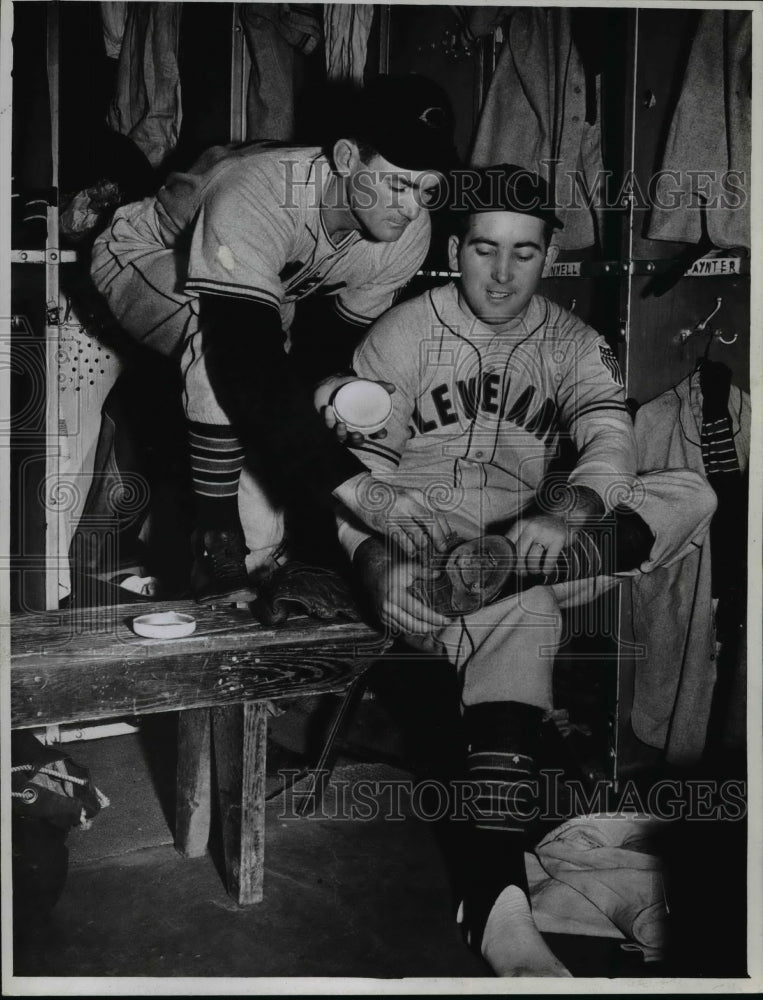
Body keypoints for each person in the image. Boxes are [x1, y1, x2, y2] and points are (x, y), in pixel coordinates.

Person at [323, 165, 717, 975]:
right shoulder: (396, 334)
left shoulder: (572, 340)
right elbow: (350, 479)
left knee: (688, 489)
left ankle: (497, 583)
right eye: (484, 250)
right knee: (526, 617)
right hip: (425, 553)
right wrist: (371, 561)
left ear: (548, 256)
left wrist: (565, 510)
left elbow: (611, 440)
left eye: (524, 253)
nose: (502, 275)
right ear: (454, 249)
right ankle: (497, 907)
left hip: (529, 549)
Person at [90, 75, 458, 601]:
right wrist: (360, 489)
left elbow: (321, 350)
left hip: (260, 286)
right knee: (215, 348)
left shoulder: (405, 233)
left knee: (281, 384)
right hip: (142, 256)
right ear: (348, 158)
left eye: (427, 188)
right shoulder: (260, 188)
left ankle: (260, 558)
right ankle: (218, 549)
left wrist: (331, 394)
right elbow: (242, 362)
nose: (413, 207)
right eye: (398, 184)